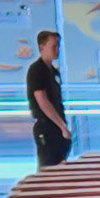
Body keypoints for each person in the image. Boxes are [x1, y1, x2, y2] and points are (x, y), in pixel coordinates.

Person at [26, 30, 72, 168]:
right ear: (41, 47)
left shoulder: (52, 71)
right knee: (49, 165)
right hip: (46, 126)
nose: (56, 49)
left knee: (59, 163)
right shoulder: (36, 70)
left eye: (57, 46)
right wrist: (61, 126)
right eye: (53, 46)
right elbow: (42, 101)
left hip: (56, 126)